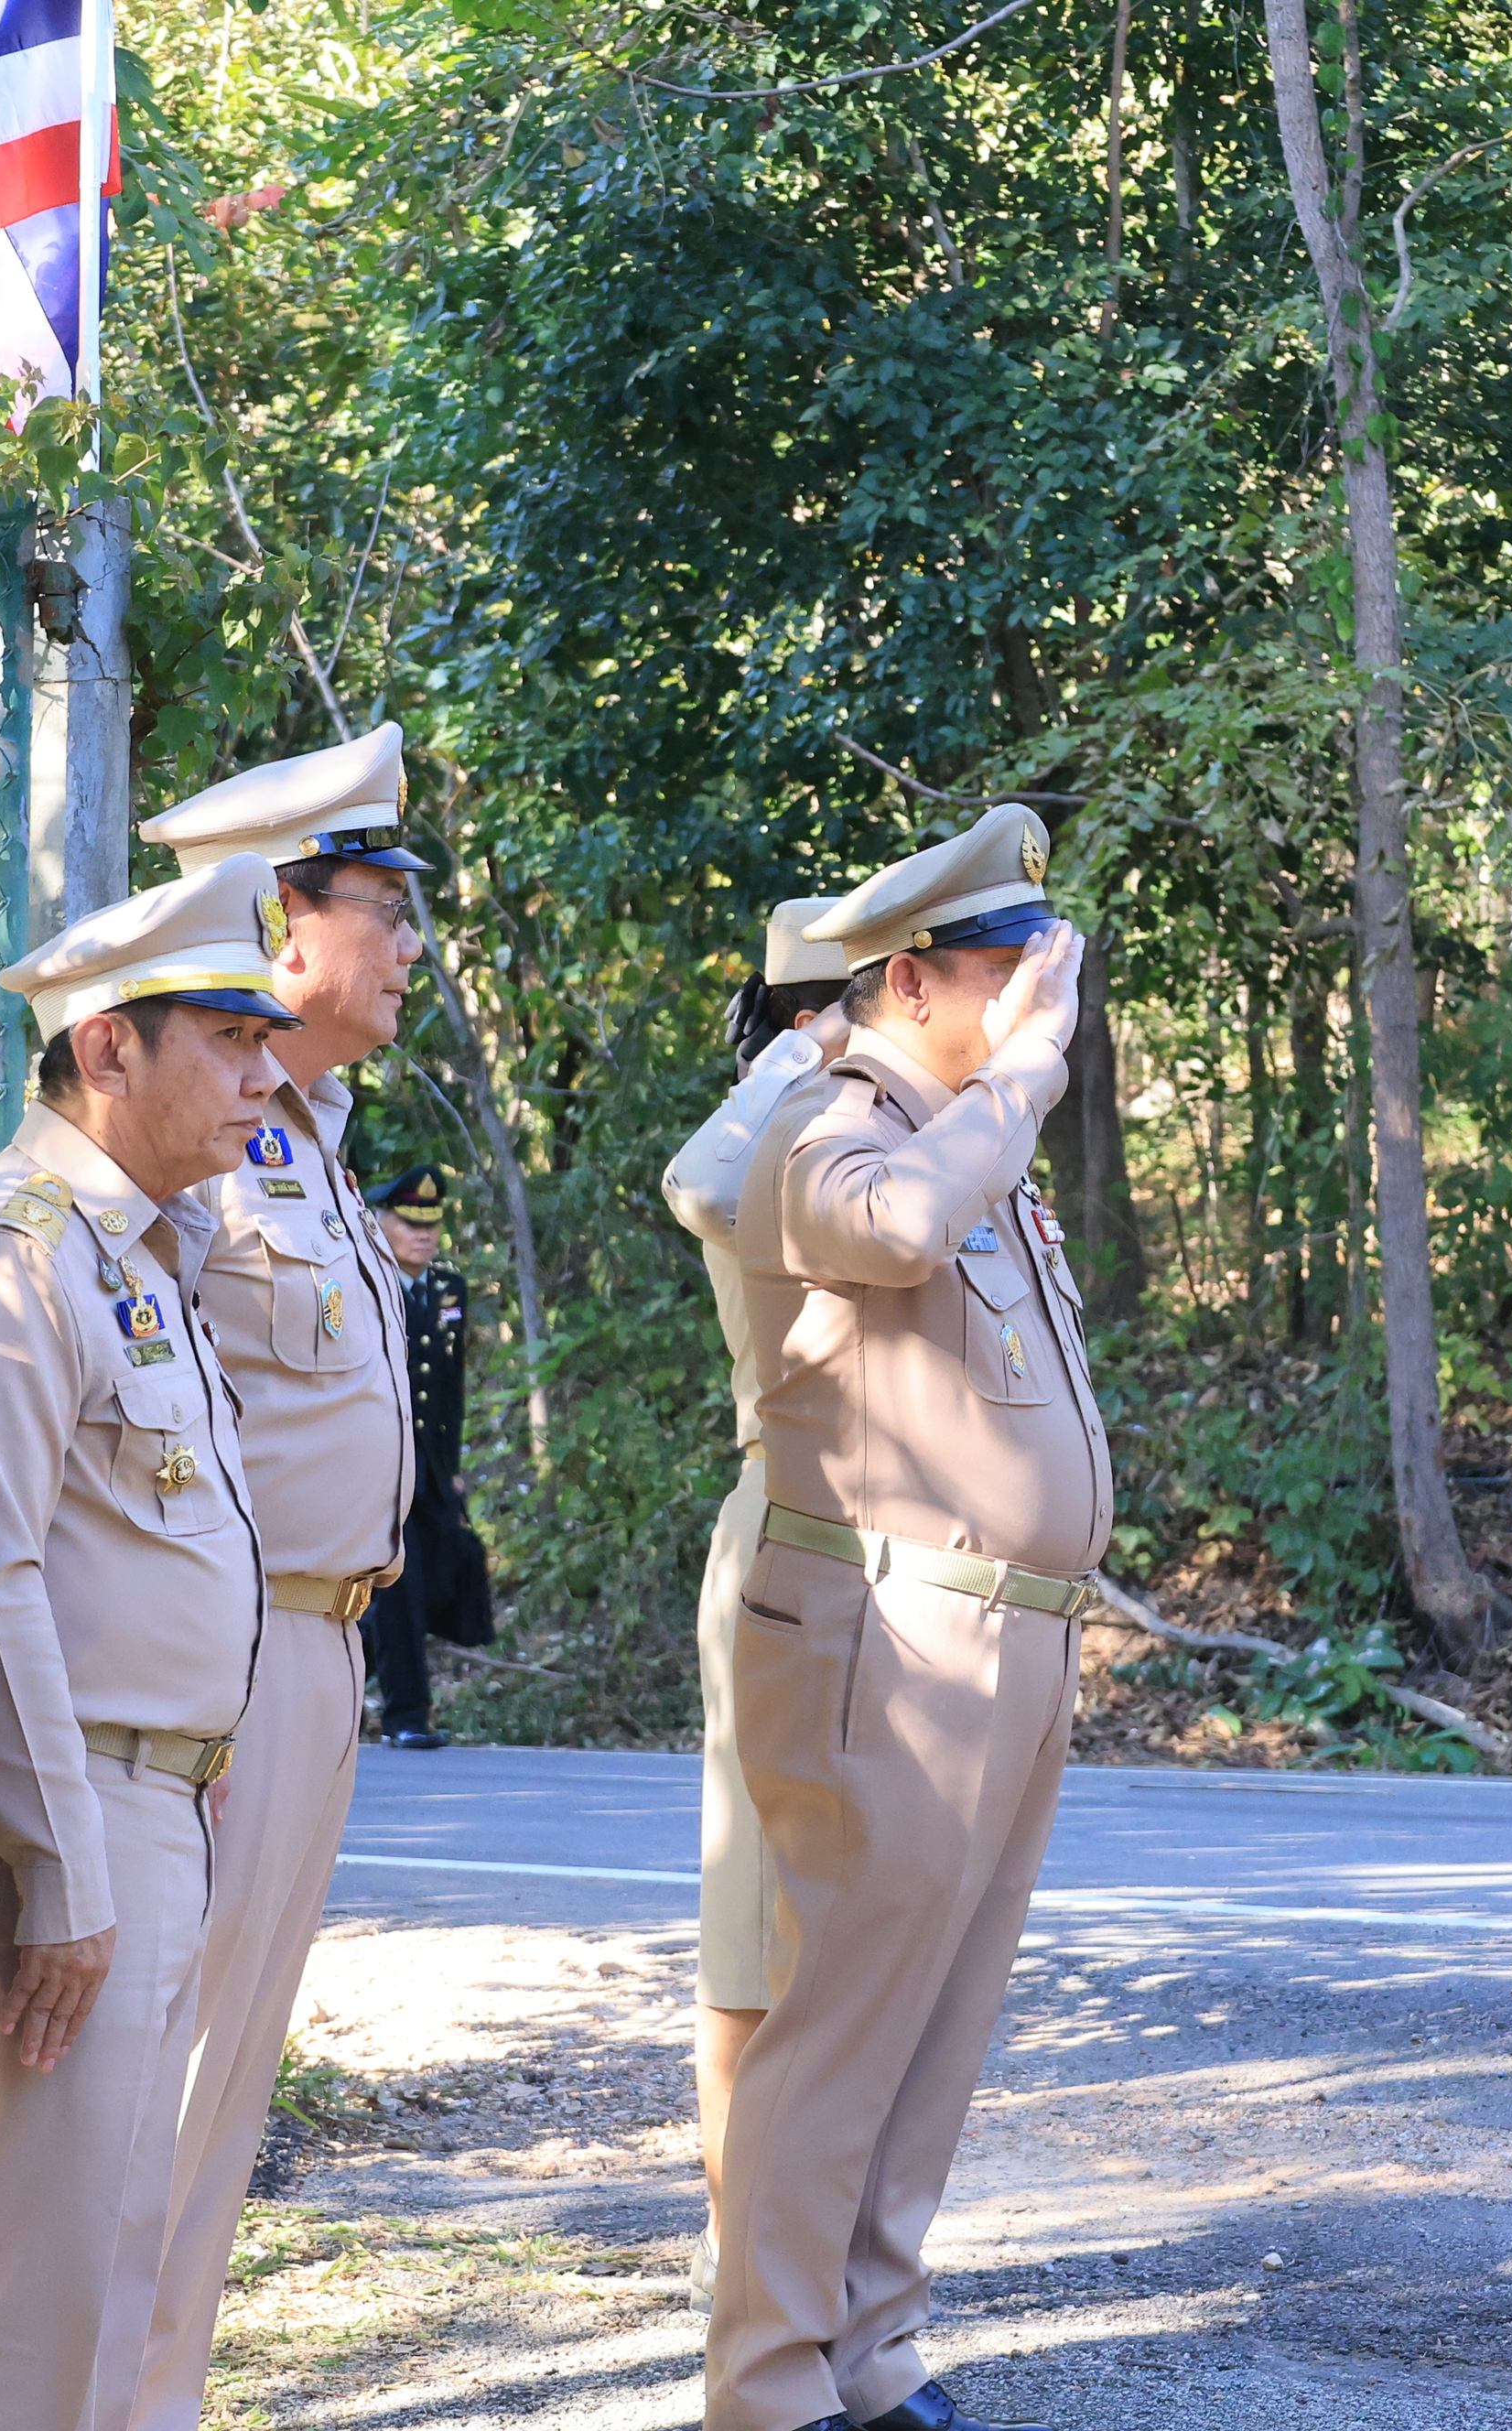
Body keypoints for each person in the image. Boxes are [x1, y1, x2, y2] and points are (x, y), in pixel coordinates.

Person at [710, 804, 1102, 2431]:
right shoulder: (828, 1116)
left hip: (1007, 1632)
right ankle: (767, 2383)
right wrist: (1011, 1082)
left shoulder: (963, 1129)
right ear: (913, 975)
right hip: (889, 1626)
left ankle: (867, 2351)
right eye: (1004, 962)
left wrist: (994, 1097)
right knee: (837, 2030)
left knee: (932, 2029)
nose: (1033, 991)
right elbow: (875, 1227)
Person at [0, 857, 296, 2431]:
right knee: (39, 2278)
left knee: (120, 2253)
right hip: (79, 1818)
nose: (266, 1075)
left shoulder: (141, 1248)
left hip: (159, 1803)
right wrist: (57, 1860)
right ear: (109, 1048)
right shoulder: (10, 1249)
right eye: (228, 1036)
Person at [124, 729, 429, 2431]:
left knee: (227, 2083)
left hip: (322, 1647)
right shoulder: (189, 1160)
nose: (402, 947)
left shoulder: (306, 1135)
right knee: (141, 2088)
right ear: (281, 926)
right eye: (379, 908)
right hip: (224, 1653)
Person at [659, 893, 852, 2312]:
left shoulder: (876, 1147)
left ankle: (830, 2282)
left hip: (905, 1582)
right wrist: (804, 1059)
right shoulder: (770, 1144)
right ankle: (747, 2277)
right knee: (757, 1950)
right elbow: (706, 1185)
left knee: (854, 1954)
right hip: (793, 1548)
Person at [357, 1163, 489, 1745]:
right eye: (409, 1222)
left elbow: (450, 1386)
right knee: (401, 1586)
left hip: (431, 1465)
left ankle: (352, 1652)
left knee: (447, 1565)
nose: (423, 1234)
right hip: (380, 1461)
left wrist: (453, 1470)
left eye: (431, 1224)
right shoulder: (364, 1285)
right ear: (381, 1222)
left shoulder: (448, 1289)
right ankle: (407, 1717)